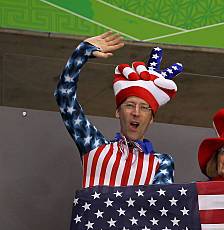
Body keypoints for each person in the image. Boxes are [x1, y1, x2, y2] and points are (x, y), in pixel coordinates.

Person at [56, 31, 183, 187]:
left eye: (144, 108)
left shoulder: (161, 163)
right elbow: (64, 96)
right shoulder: (94, 146)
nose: (136, 112)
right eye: (129, 105)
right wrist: (82, 51)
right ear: (117, 112)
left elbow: (159, 206)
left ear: (151, 119)